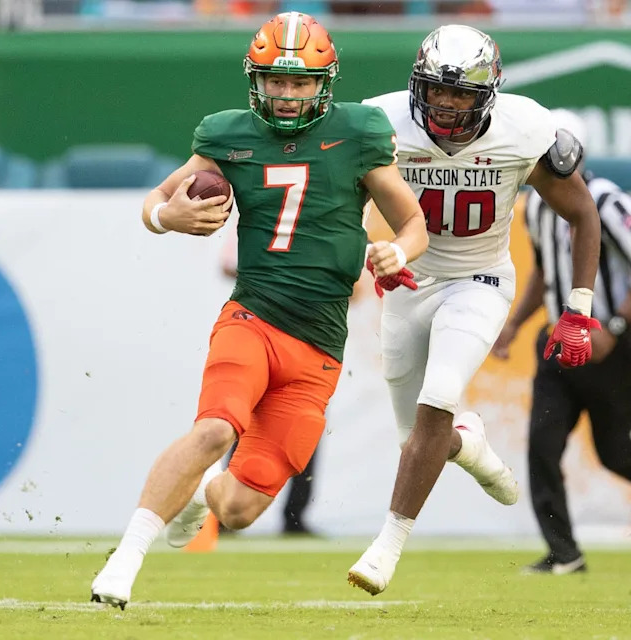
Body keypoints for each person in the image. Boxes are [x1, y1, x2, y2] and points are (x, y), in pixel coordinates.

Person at [90, 11, 429, 609]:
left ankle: (200, 497)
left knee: (241, 510)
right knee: (216, 428)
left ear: (325, 81)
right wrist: (165, 218)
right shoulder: (228, 134)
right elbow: (160, 197)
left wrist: (396, 251)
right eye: (276, 80)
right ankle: (125, 559)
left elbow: (413, 221)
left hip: (320, 346)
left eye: (300, 82)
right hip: (253, 317)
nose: (288, 93)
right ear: (256, 79)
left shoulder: (360, 132)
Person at [349, 25, 602, 596]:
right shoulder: (381, 121)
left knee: (439, 395)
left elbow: (583, 215)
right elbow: (343, 199)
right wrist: (370, 251)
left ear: (488, 92)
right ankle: (473, 446)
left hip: (479, 279)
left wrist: (578, 308)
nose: (445, 103)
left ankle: (386, 547)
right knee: (417, 436)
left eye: (461, 92)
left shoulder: (524, 128)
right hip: (409, 282)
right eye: (436, 90)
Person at [492, 110, 631, 575]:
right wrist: (514, 325)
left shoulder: (607, 201)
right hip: (557, 341)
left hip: (609, 348)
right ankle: (564, 553)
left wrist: (612, 327)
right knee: (541, 448)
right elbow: (546, 271)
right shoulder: (535, 206)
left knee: (616, 452)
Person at [220, 229, 319, 536]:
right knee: (240, 421)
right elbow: (226, 262)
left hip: (309, 337)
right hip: (262, 332)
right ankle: (223, 510)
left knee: (305, 428)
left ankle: (295, 516)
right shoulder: (265, 210)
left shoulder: (332, 222)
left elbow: (354, 289)